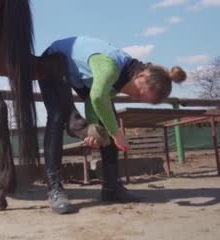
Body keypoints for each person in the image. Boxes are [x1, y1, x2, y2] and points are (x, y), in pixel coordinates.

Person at [38, 36, 186, 214]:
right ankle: (54, 187)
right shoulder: (109, 67)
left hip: (78, 77)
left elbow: (92, 102)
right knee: (56, 117)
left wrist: (93, 130)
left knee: (107, 120)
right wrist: (117, 134)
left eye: (140, 99)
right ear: (141, 75)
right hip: (53, 60)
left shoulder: (122, 78)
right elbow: (98, 98)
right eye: (138, 93)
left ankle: (111, 187)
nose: (133, 97)